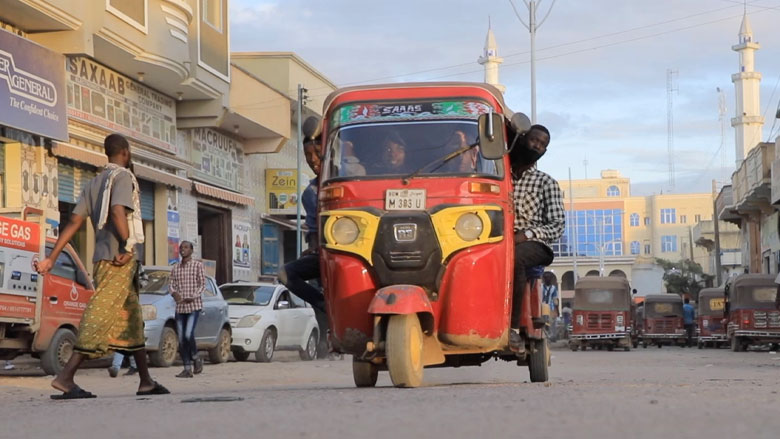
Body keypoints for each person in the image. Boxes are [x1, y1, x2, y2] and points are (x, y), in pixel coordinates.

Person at [35, 133, 168, 399]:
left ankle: (145, 381)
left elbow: (73, 222)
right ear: (126, 153)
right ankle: (65, 377)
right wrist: (128, 246)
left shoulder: (94, 183)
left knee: (132, 320)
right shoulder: (122, 178)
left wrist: (52, 257)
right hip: (118, 260)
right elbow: (119, 212)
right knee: (97, 315)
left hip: (103, 260)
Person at [508, 124, 565, 351]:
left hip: (534, 244)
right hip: (499, 239)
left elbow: (557, 226)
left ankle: (511, 328)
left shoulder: (546, 183)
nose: (537, 146)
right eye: (534, 140)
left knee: (516, 258)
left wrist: (528, 234)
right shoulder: (498, 177)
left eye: (542, 145)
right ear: (523, 140)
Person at [279, 139, 331, 357]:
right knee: (285, 273)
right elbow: (312, 228)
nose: (312, 160)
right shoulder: (309, 192)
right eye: (307, 155)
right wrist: (314, 247)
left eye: (316, 154)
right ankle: (323, 305)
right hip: (322, 255)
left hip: (348, 253)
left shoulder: (348, 177)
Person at [169, 241, 205, 378]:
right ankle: (187, 368)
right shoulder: (175, 268)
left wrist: (193, 296)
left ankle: (196, 358)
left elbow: (202, 285)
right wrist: (173, 293)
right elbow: (171, 284)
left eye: (185, 247)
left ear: (191, 250)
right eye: (181, 248)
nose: (182, 250)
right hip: (180, 307)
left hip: (193, 306)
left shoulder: (198, 266)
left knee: (188, 334)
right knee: (181, 338)